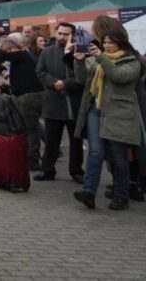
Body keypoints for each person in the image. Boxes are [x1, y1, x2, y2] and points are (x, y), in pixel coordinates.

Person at [73, 25, 145, 210]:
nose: (107, 46)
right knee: (95, 152)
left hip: (118, 113)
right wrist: (79, 61)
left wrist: (101, 57)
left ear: (121, 43)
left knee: (118, 156)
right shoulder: (100, 60)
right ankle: (89, 192)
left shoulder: (132, 62)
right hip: (95, 110)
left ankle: (121, 196)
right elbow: (82, 79)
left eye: (111, 43)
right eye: (104, 42)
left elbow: (118, 76)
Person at [34, 22, 84, 183]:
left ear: (72, 35)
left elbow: (84, 76)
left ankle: (76, 171)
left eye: (66, 34)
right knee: (51, 140)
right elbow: (40, 72)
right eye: (60, 33)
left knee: (76, 140)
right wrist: (54, 82)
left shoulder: (80, 51)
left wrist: (66, 84)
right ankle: (47, 169)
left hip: (74, 103)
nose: (62, 37)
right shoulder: (47, 52)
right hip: (53, 101)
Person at [0, 33, 44, 171]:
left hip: (28, 97)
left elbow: (1, 55)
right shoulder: (25, 56)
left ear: (18, 45)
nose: (10, 52)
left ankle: (33, 159)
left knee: (30, 129)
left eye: (11, 48)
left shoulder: (23, 54)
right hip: (24, 96)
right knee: (32, 126)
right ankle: (43, 153)